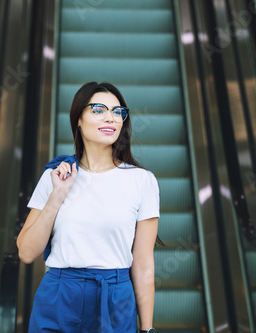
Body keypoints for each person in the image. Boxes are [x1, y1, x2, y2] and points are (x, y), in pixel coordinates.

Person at [17, 82, 160, 333]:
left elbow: (144, 262)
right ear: (78, 119)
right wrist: (57, 196)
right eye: (98, 109)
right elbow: (27, 253)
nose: (110, 118)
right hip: (60, 294)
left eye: (118, 112)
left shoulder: (142, 180)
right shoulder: (56, 176)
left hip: (115, 297)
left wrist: (147, 329)